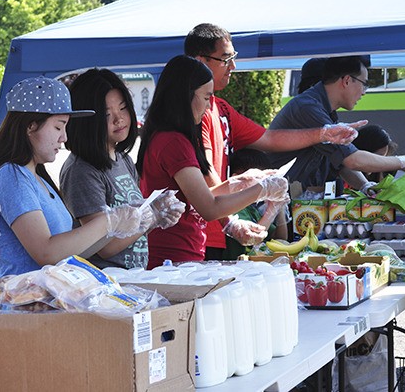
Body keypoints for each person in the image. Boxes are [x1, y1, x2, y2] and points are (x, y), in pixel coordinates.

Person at [184, 23, 366, 260]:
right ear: (200, 61)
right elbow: (208, 177)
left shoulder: (222, 109)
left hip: (214, 229)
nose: (233, 66)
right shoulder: (194, 113)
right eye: (225, 59)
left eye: (233, 58)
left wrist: (322, 134)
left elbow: (268, 138)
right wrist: (233, 217)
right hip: (201, 235)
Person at [0, 76, 148, 278]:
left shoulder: (39, 179)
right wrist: (109, 221)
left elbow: (73, 252)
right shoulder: (12, 175)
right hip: (28, 302)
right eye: (58, 127)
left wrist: (127, 222)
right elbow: (46, 252)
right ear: (30, 126)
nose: (64, 138)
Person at [137, 55, 290, 269]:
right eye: (207, 97)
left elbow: (199, 195)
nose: (209, 107)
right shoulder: (173, 141)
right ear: (185, 96)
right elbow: (208, 207)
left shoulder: (174, 137)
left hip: (181, 257)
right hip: (171, 261)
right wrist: (261, 189)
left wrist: (242, 183)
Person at [60, 68, 184, 270]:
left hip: (133, 276)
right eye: (106, 114)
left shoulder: (123, 159)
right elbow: (104, 246)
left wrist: (157, 213)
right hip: (104, 285)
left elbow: (132, 225)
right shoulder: (81, 170)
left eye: (123, 108)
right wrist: (151, 215)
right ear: (85, 120)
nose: (119, 119)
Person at [268, 55, 405, 192]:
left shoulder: (325, 110)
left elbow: (340, 161)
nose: (364, 92)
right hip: (271, 200)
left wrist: (365, 186)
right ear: (347, 80)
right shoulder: (308, 108)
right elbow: (353, 159)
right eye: (364, 83)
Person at [224, 149, 289, 259]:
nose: (263, 186)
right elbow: (252, 239)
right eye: (259, 180)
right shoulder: (234, 206)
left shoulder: (250, 207)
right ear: (237, 177)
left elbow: (280, 238)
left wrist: (279, 208)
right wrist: (271, 210)